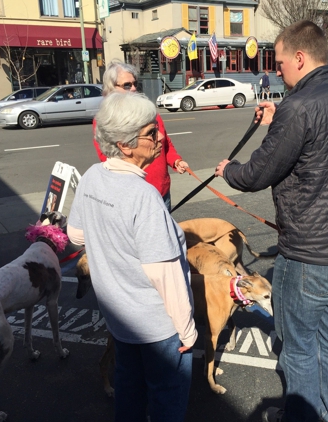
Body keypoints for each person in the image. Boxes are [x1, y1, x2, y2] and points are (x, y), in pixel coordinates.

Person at [214, 21, 328, 422]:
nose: (279, 70)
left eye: (281, 62)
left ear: (300, 58)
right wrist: (278, 120)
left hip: (310, 256)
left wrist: (229, 169)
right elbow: (314, 152)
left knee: (299, 349)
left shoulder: (298, 107)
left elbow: (256, 174)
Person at [67, 92, 197, 422]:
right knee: (167, 399)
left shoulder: (93, 176)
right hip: (159, 327)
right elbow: (163, 273)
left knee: (129, 389)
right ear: (125, 145)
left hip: (120, 318)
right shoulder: (144, 197)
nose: (160, 137)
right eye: (151, 133)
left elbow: (76, 235)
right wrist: (187, 329)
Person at [93, 59, 188, 210]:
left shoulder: (150, 112)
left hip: (161, 191)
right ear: (111, 87)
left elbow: (165, 143)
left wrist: (176, 161)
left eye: (135, 84)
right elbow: (110, 159)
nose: (133, 89)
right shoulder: (107, 120)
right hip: (135, 196)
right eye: (127, 85)